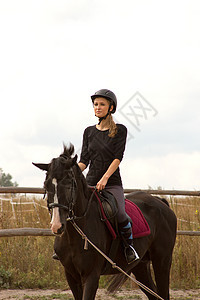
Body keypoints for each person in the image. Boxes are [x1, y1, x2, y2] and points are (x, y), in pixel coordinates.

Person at [78, 89, 139, 264]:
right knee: (74, 209)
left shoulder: (120, 130)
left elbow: (117, 157)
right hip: (90, 184)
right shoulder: (88, 131)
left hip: (111, 184)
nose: (98, 107)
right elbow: (84, 161)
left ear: (111, 107)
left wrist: (104, 178)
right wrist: (71, 172)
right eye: (95, 104)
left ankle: (129, 248)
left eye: (102, 104)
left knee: (120, 214)